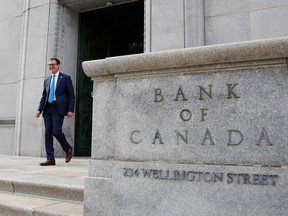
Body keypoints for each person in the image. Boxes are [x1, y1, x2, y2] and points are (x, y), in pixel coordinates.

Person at [35, 57, 75, 166]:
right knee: (48, 133)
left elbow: (71, 96)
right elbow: (44, 96)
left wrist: (70, 109)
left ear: (58, 65)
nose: (51, 66)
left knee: (56, 131)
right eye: (49, 65)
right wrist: (39, 109)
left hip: (58, 109)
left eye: (53, 64)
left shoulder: (65, 78)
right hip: (47, 109)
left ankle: (68, 149)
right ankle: (50, 159)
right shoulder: (47, 80)